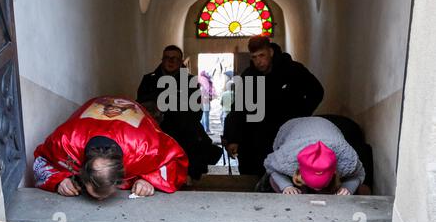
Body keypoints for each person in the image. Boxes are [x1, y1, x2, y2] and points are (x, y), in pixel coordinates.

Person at [33, 97, 188, 200]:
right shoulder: (65, 141)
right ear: (81, 172)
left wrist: (148, 180)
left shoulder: (146, 147)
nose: (101, 200)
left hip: (133, 128)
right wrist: (59, 180)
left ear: (123, 175)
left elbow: (175, 159)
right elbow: (42, 158)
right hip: (95, 108)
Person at [224, 36, 324, 177]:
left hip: (285, 135)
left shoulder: (293, 70)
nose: (259, 61)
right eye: (254, 57)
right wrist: (233, 138)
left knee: (284, 177)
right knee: (253, 178)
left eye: (262, 55)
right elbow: (238, 109)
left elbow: (316, 92)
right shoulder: (248, 76)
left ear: (270, 52)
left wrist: (300, 116)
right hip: (254, 139)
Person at [137, 45, 222, 181]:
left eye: (175, 58)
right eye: (167, 58)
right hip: (158, 135)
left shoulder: (190, 82)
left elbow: (196, 111)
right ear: (162, 59)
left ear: (181, 61)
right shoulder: (149, 80)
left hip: (185, 136)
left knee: (187, 173)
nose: (170, 61)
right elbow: (141, 107)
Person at [264, 117, 366, 195]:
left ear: (334, 174)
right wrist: (286, 186)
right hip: (292, 127)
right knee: (286, 187)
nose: (318, 190)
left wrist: (347, 187)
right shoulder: (286, 158)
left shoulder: (347, 159)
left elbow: (359, 174)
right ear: (299, 173)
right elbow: (270, 166)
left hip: (327, 125)